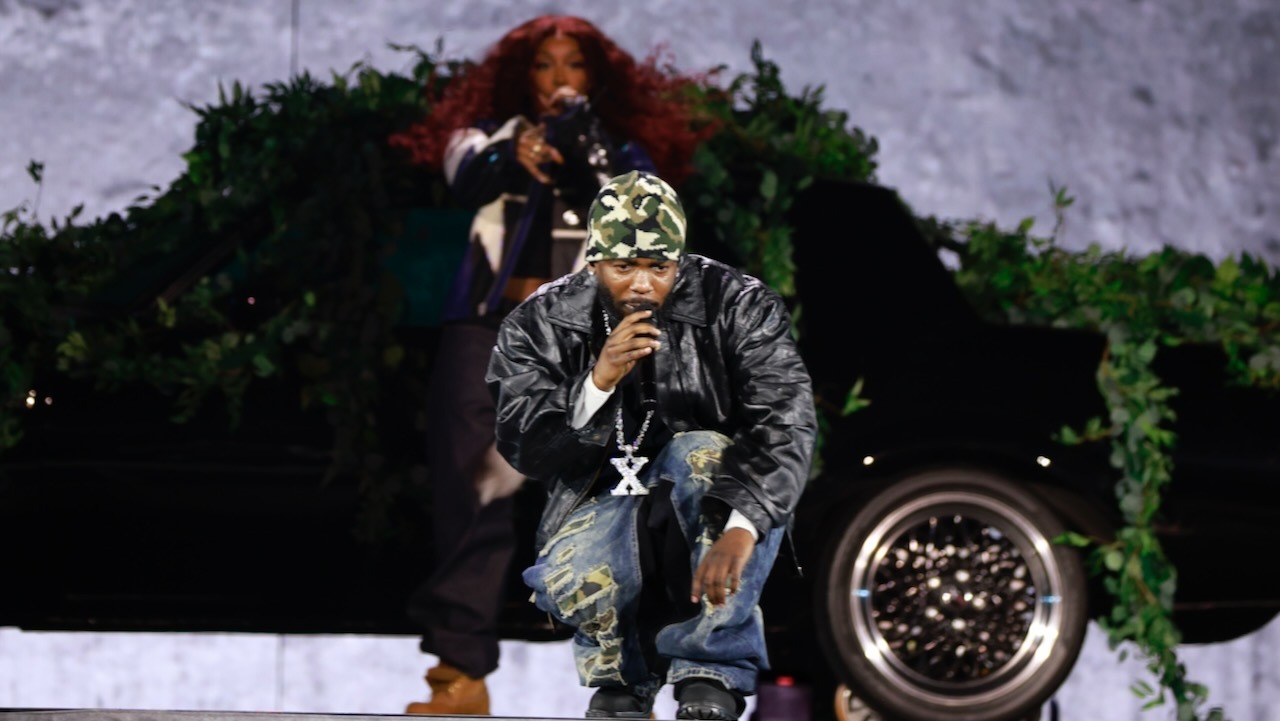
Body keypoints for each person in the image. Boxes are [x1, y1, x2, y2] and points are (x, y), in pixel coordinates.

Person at [387, 15, 711, 715]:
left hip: (591, 339)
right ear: (521, 75)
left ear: (595, 78)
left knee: (618, 501)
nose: (558, 77)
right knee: (470, 493)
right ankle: (459, 675)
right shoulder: (485, 137)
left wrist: (583, 141)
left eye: (573, 64)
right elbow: (467, 177)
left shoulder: (621, 154)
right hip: (488, 332)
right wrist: (517, 153)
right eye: (543, 64)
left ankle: (631, 679)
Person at [485, 170, 817, 721]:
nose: (642, 284)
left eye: (658, 267)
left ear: (678, 262)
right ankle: (623, 673)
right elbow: (522, 444)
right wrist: (596, 381)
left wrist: (743, 526)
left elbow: (787, 421)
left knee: (701, 452)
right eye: (624, 267)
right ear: (594, 263)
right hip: (599, 506)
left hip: (712, 493)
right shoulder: (542, 321)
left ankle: (709, 669)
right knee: (586, 572)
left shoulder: (738, 304)